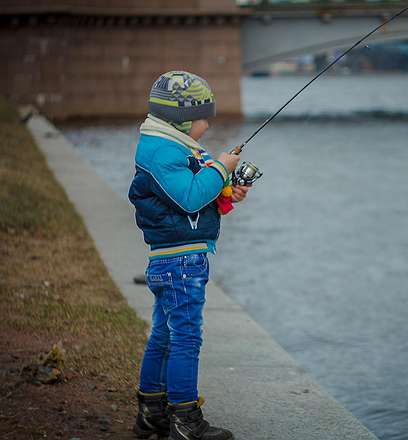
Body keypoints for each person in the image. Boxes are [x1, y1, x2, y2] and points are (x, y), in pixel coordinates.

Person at [128, 71, 250, 440]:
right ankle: (185, 419)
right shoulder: (163, 150)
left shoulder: (174, 146)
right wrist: (220, 168)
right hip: (180, 261)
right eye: (202, 117)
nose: (208, 123)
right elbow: (189, 196)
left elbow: (199, 197)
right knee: (186, 337)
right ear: (180, 117)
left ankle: (151, 414)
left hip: (175, 256)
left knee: (165, 335)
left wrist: (227, 191)